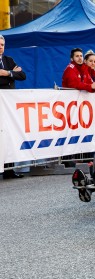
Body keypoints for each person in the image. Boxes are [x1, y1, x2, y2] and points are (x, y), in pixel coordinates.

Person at [0, 35, 26, 179]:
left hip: (8, 105)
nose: (1, 47)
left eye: (3, 44)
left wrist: (7, 73)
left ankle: (9, 169)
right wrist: (12, 74)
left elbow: (22, 75)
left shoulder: (8, 60)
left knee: (9, 135)